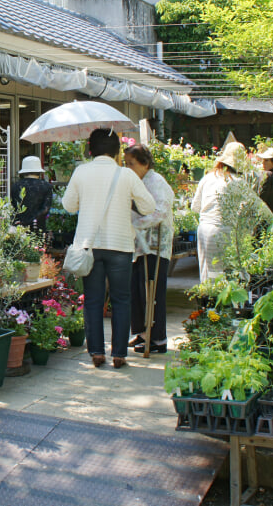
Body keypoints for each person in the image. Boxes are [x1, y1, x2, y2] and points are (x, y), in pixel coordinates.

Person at [62, 129, 155, 370]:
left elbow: (69, 206)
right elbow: (148, 206)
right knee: (121, 300)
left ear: (90, 149)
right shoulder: (125, 174)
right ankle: (119, 354)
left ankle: (96, 352)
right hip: (120, 245)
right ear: (116, 151)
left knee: (93, 300)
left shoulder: (81, 172)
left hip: (89, 246)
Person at [124, 144, 174, 355]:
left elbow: (161, 212)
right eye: (125, 164)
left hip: (155, 245)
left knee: (151, 293)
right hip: (139, 245)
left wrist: (138, 224)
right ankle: (142, 332)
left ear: (144, 163)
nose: (128, 168)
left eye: (131, 164)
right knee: (137, 291)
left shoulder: (156, 182)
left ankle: (158, 338)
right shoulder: (138, 181)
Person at [191, 141, 245, 283]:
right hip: (224, 229)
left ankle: (206, 303)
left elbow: (195, 207)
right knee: (224, 274)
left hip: (204, 229)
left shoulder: (207, 178)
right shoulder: (238, 182)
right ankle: (221, 304)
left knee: (206, 273)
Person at [10, 155, 53, 230]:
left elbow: (13, 207)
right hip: (38, 226)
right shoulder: (46, 186)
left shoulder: (15, 186)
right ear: (39, 172)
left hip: (19, 227)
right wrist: (32, 220)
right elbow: (45, 209)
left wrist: (22, 221)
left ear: (23, 172)